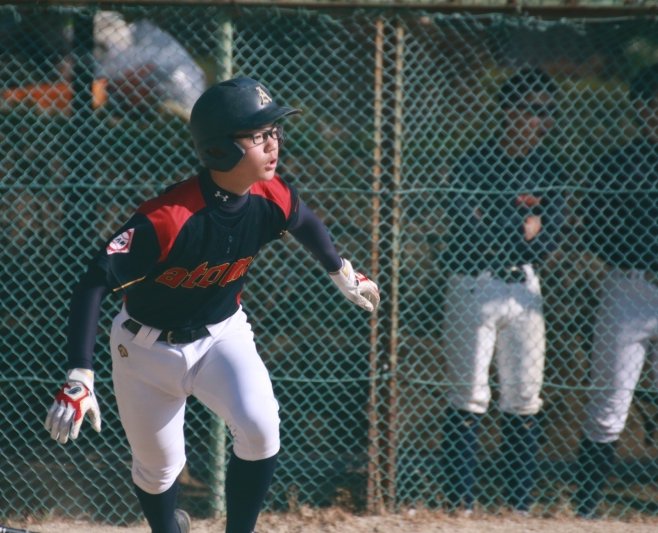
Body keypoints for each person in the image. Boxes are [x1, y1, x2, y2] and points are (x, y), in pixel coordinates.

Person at [43, 77, 379, 533]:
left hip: (222, 336)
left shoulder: (270, 195)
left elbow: (304, 220)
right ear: (220, 148)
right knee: (158, 470)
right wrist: (80, 372)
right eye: (258, 135)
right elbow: (93, 282)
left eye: (274, 132)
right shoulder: (168, 219)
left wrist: (339, 269)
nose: (273, 143)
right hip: (144, 352)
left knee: (261, 428)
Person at [438, 69, 566, 514]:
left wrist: (504, 224)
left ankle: (519, 508)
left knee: (524, 396)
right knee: (469, 394)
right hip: (474, 282)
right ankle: (460, 506)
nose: (543, 121)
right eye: (534, 110)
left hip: (524, 285)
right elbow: (469, 227)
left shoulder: (549, 169)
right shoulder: (474, 162)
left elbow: (549, 240)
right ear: (509, 111)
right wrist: (522, 225)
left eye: (549, 112)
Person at [574, 64, 658, 518]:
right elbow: (597, 230)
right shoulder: (617, 163)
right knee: (610, 402)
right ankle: (585, 509)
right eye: (651, 104)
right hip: (629, 287)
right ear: (641, 109)